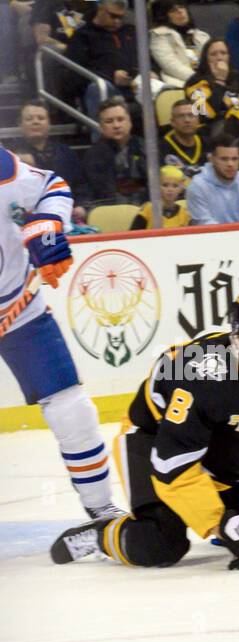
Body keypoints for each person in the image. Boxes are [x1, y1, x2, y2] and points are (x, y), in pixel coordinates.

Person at [51, 290, 239, 569]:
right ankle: (103, 534)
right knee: (159, 543)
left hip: (221, 450)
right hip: (154, 442)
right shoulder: (200, 377)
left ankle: (235, 515)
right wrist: (219, 522)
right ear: (236, 335)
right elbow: (172, 465)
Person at [0, 148, 119, 524]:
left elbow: (52, 184)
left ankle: (101, 508)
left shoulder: (5, 170)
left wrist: (48, 223)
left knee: (73, 410)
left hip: (18, 311)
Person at [66, 0, 139, 114]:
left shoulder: (130, 31)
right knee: (98, 88)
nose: (117, 21)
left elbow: (148, 58)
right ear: (100, 8)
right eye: (113, 16)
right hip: (107, 87)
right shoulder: (82, 36)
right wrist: (111, 76)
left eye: (121, 17)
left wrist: (152, 71)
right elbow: (75, 74)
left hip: (138, 85)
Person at [11, 101, 86, 208]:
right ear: (20, 125)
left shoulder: (66, 153)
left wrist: (81, 205)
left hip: (65, 212)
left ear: (49, 124)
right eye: (29, 119)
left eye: (41, 118)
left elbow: (81, 184)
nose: (35, 122)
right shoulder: (11, 155)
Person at [82, 97, 147, 206]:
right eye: (109, 121)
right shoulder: (93, 155)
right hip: (112, 210)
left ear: (130, 122)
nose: (116, 126)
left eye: (120, 119)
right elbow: (103, 191)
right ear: (101, 127)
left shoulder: (145, 147)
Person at [185, 38, 239, 128]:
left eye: (223, 53)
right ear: (206, 59)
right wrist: (220, 81)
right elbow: (205, 115)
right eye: (213, 54)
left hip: (236, 126)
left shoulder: (236, 77)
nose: (219, 58)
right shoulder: (195, 82)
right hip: (209, 130)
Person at [150, 0, 209, 87]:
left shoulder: (201, 35)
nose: (180, 11)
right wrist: (198, 78)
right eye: (173, 10)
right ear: (165, 16)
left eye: (182, 7)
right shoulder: (159, 35)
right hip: (178, 83)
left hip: (207, 81)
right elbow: (170, 65)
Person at [160, 97, 206, 179]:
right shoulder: (161, 148)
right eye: (181, 116)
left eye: (191, 115)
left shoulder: (207, 143)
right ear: (172, 122)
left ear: (198, 120)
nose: (187, 120)